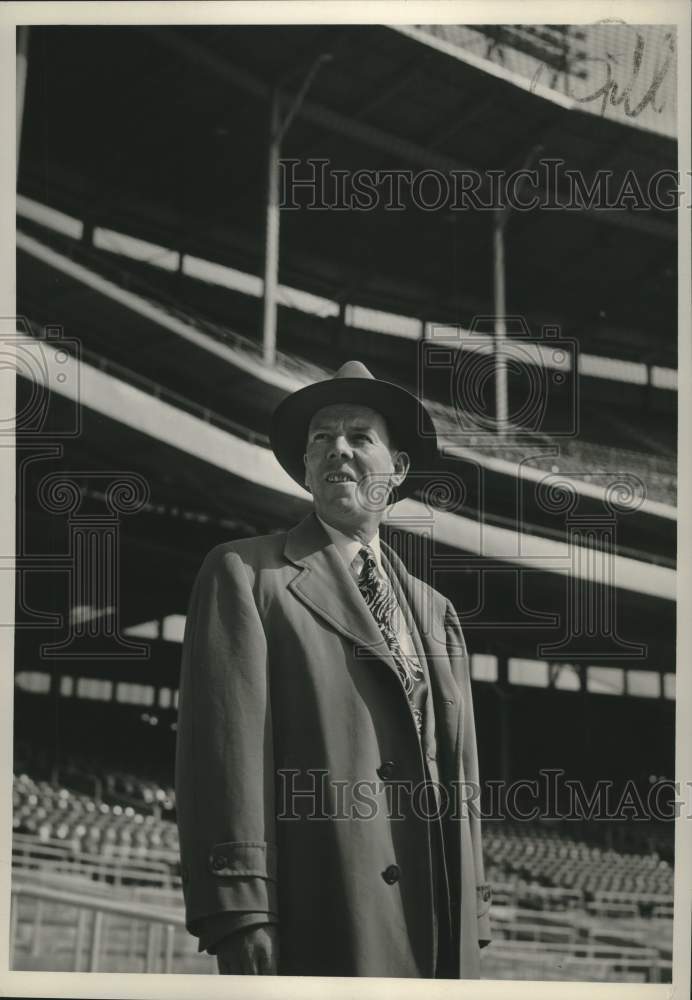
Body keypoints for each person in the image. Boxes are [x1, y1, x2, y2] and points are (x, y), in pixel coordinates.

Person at [175, 360, 491, 978]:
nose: (335, 449)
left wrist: (473, 917)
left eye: (358, 437)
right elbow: (223, 753)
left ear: (397, 470)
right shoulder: (245, 574)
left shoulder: (437, 611)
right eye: (321, 438)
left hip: (439, 928)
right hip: (321, 907)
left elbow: (465, 772)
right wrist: (239, 910)